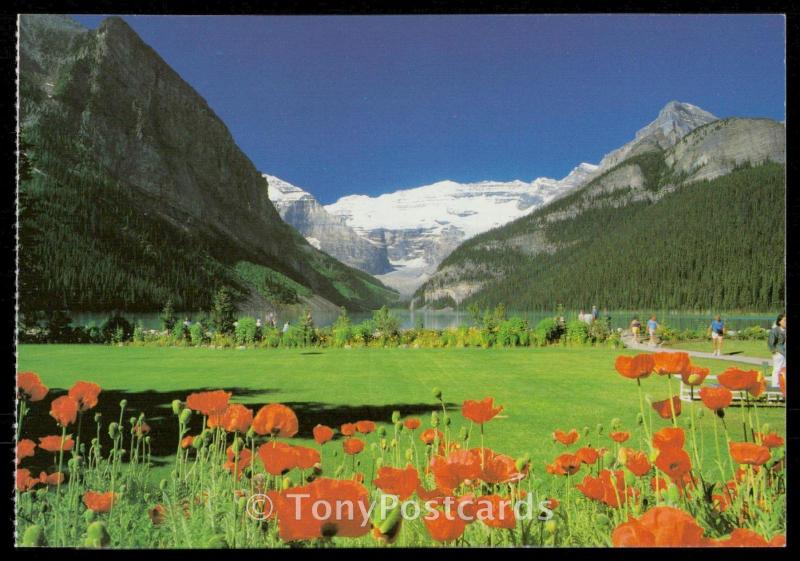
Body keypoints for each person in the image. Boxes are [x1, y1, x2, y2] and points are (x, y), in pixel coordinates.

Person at [768, 313, 786, 387]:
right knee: (777, 369)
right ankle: (775, 386)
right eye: (784, 320)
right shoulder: (775, 330)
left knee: (783, 370)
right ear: (779, 321)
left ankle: (782, 386)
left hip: (784, 353)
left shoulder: (784, 330)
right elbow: (770, 342)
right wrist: (774, 351)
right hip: (778, 353)